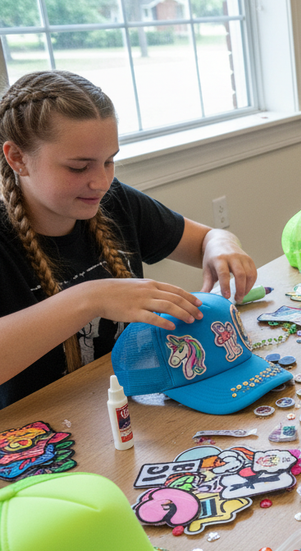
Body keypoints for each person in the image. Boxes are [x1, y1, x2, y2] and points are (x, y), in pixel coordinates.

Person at [0, 71, 257, 409]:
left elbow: (207, 238)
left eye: (109, 161)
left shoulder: (115, 202)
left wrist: (223, 245)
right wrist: (91, 298)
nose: (101, 182)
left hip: (123, 406)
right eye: (79, 167)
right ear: (17, 158)